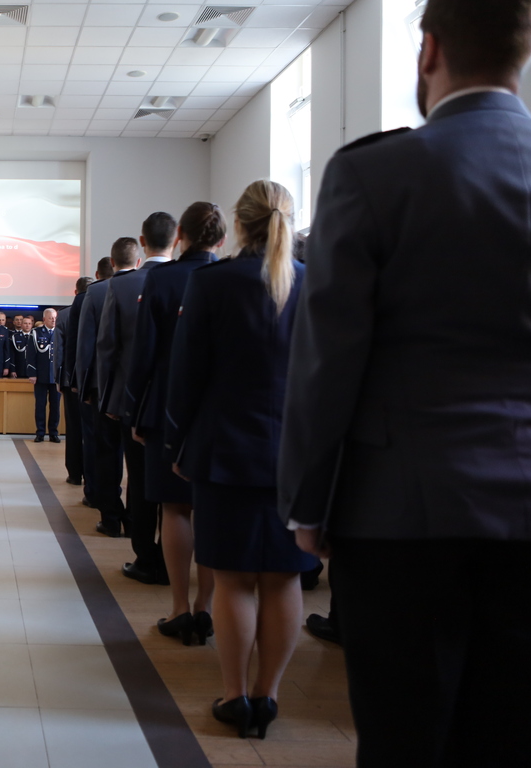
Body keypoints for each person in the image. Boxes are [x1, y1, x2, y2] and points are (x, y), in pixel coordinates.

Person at [279, 0, 531, 764]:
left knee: (403, 739)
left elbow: (328, 363)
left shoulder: (374, 173)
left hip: (399, 515)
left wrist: (308, 503)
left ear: (429, 51)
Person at [167, 181, 316, 739]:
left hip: (224, 453)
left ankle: (234, 697)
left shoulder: (212, 282)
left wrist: (178, 445)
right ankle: (267, 696)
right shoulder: (315, 285)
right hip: (296, 457)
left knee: (232, 580)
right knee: (284, 578)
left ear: (239, 223)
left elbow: (187, 375)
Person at [128, 202, 225, 646]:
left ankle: (180, 607)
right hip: (219, 409)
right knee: (210, 509)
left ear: (181, 233)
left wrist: (135, 409)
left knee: (174, 507)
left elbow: (143, 353)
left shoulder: (162, 278)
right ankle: (206, 606)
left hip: (166, 407)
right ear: (221, 239)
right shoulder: (228, 277)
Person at [99, 213, 176, 586]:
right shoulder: (195, 277)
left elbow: (108, 348)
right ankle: (181, 561)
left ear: (143, 242)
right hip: (183, 402)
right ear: (176, 239)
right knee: (179, 491)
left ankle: (147, 557)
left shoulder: (122, 285)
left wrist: (110, 400)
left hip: (137, 400)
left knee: (141, 481)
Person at [79, 240, 140, 537]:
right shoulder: (148, 283)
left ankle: (111, 518)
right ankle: (137, 522)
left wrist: (86, 387)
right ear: (137, 261)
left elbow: (87, 343)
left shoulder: (96, 291)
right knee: (139, 463)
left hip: (103, 389)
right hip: (140, 391)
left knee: (106, 455)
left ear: (112, 263)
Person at [69, 259, 113, 509]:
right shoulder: (142, 285)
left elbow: (80, 344)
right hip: (128, 386)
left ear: (97, 274)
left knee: (94, 439)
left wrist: (79, 382)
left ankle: (97, 494)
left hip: (94, 383)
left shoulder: (89, 296)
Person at [57, 278, 91, 481]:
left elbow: (58, 351)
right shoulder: (101, 305)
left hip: (70, 380)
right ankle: (92, 474)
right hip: (94, 380)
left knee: (74, 427)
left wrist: (58, 379)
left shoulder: (63, 315)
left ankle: (75, 473)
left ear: (75, 292)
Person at [30, 308, 61, 442]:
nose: (53, 320)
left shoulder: (60, 331)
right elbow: (31, 355)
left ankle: (53, 432)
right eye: (50, 318)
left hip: (56, 376)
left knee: (55, 406)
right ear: (44, 319)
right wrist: (32, 373)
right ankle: (40, 432)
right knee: (40, 405)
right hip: (41, 375)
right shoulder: (36, 333)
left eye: (55, 318)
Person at [9, 315, 36, 379]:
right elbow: (12, 354)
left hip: (33, 369)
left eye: (29, 323)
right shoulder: (15, 337)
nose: (27, 325)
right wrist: (12, 370)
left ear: (32, 325)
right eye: (25, 323)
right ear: (21, 324)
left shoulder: (35, 336)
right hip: (19, 369)